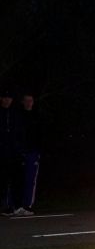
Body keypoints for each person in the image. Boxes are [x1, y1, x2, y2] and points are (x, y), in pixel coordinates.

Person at [0, 88, 25, 216]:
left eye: (9, 98)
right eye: (5, 98)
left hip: (14, 152)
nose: (7, 100)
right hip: (3, 152)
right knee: (4, 180)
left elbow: (19, 132)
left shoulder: (15, 113)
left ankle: (18, 205)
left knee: (17, 179)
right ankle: (5, 206)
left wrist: (19, 149)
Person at [16, 93, 42, 216]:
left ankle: (27, 205)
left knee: (30, 179)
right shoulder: (18, 116)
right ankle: (16, 205)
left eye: (30, 100)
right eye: (26, 100)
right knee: (18, 179)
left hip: (32, 151)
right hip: (20, 151)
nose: (28, 103)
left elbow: (39, 134)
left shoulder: (36, 116)